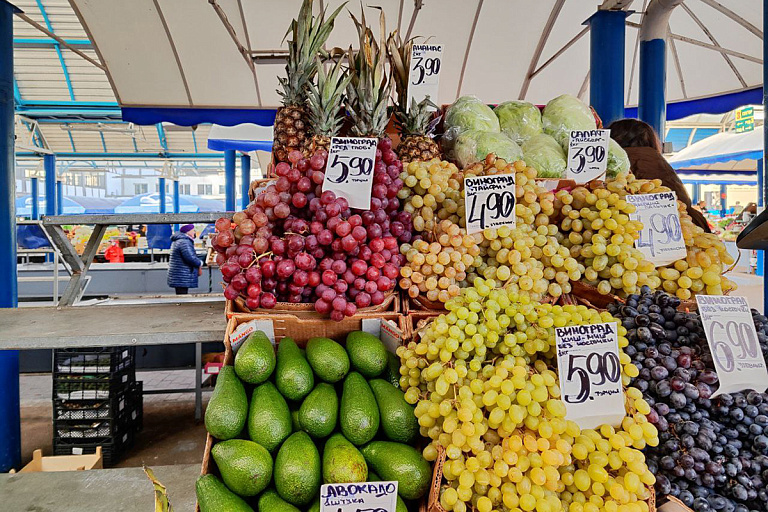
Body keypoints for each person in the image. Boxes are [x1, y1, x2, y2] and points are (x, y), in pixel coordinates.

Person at [608, 118, 711, 233]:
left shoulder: (613, 163)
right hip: (682, 228)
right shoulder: (657, 161)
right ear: (652, 140)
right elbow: (682, 200)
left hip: (627, 230)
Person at [168, 224, 203, 295]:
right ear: (188, 231)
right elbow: (190, 258)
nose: (194, 232)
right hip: (182, 274)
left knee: (181, 294)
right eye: (193, 230)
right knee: (182, 295)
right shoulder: (184, 242)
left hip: (179, 274)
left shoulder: (179, 240)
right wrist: (200, 263)